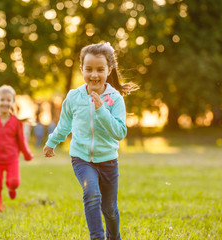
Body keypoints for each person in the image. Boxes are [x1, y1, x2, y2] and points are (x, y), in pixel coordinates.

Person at [43, 42, 138, 240]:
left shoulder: (114, 99)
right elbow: (64, 124)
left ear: (108, 70)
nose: (94, 75)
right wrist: (52, 142)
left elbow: (120, 132)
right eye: (89, 69)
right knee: (92, 194)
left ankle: (114, 237)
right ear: (81, 70)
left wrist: (101, 109)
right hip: (82, 159)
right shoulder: (74, 97)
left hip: (108, 161)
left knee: (110, 209)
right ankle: (97, 238)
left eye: (100, 69)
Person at [0, 85, 34, 213]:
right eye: (2, 100)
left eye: (8, 100)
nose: (5, 103)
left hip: (11, 159)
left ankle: (11, 189)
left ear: (12, 102)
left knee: (14, 182)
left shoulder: (16, 121)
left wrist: (27, 154)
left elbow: (21, 140)